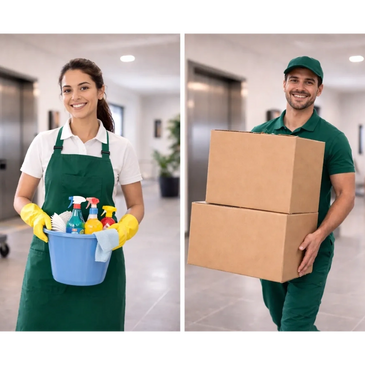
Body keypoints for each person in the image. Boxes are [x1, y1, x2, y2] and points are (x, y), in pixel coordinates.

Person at [13, 58, 145, 334]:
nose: (75, 97)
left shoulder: (120, 148)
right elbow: (21, 197)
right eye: (67, 90)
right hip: (50, 254)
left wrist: (122, 230)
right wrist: (34, 215)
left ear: (100, 91)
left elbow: (136, 205)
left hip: (100, 255)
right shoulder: (44, 142)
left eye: (83, 87)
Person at [251, 56, 356, 334]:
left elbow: (346, 194)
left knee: (294, 327)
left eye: (309, 82)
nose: (301, 87)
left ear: (319, 89)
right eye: (294, 80)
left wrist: (320, 235)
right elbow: (248, 190)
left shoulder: (332, 138)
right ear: (284, 84)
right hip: (270, 246)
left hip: (311, 248)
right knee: (283, 321)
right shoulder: (260, 134)